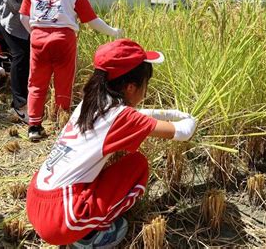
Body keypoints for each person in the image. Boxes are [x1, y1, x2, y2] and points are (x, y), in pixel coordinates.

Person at [26, 39, 197, 247]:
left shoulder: (90, 102)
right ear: (131, 87)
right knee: (137, 165)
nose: (146, 91)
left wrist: (170, 113)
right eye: (145, 84)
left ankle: (83, 228)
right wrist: (191, 118)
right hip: (61, 219)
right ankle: (89, 236)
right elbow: (183, 132)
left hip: (36, 199)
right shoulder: (121, 116)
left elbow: (136, 116)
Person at [19, 0, 123, 141]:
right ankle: (61, 123)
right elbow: (92, 20)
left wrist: (36, 33)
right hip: (64, 39)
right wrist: (114, 32)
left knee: (36, 83)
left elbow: (24, 16)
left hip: (38, 38)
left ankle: (34, 126)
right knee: (63, 82)